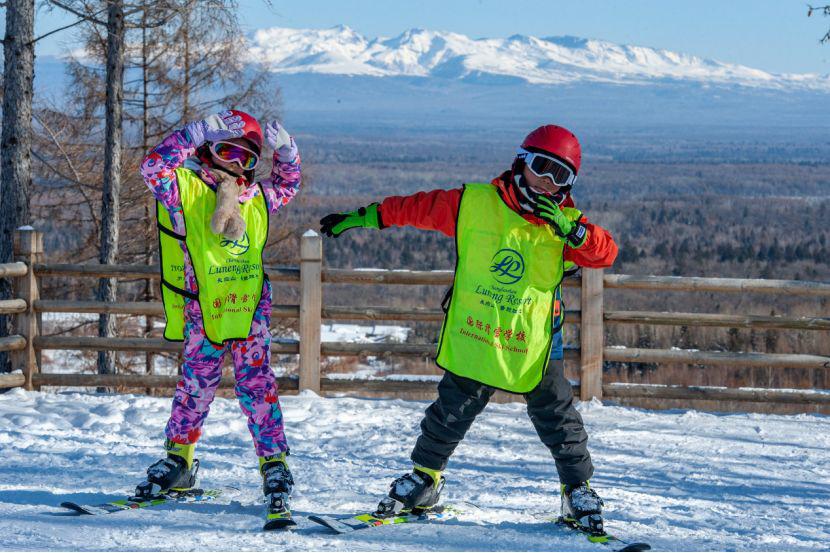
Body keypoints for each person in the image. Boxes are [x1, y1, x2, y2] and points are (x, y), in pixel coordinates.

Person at [320, 125, 617, 533]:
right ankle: (425, 478)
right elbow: (419, 208)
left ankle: (576, 489)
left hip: (533, 340)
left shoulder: (565, 224)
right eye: (541, 167)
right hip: (480, 332)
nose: (547, 181)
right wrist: (368, 216)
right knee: (452, 410)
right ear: (521, 162)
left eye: (560, 175)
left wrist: (574, 232)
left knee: (556, 414)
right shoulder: (474, 204)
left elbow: (605, 252)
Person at [137, 109, 301, 527]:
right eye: (228, 151)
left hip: (249, 314)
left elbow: (288, 184)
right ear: (209, 151)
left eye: (247, 158)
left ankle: (274, 463)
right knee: (195, 388)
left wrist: (287, 154)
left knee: (258, 389)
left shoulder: (257, 198)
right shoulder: (186, 190)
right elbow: (153, 168)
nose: (236, 164)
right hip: (204, 312)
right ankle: (179, 458)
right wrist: (192, 133)